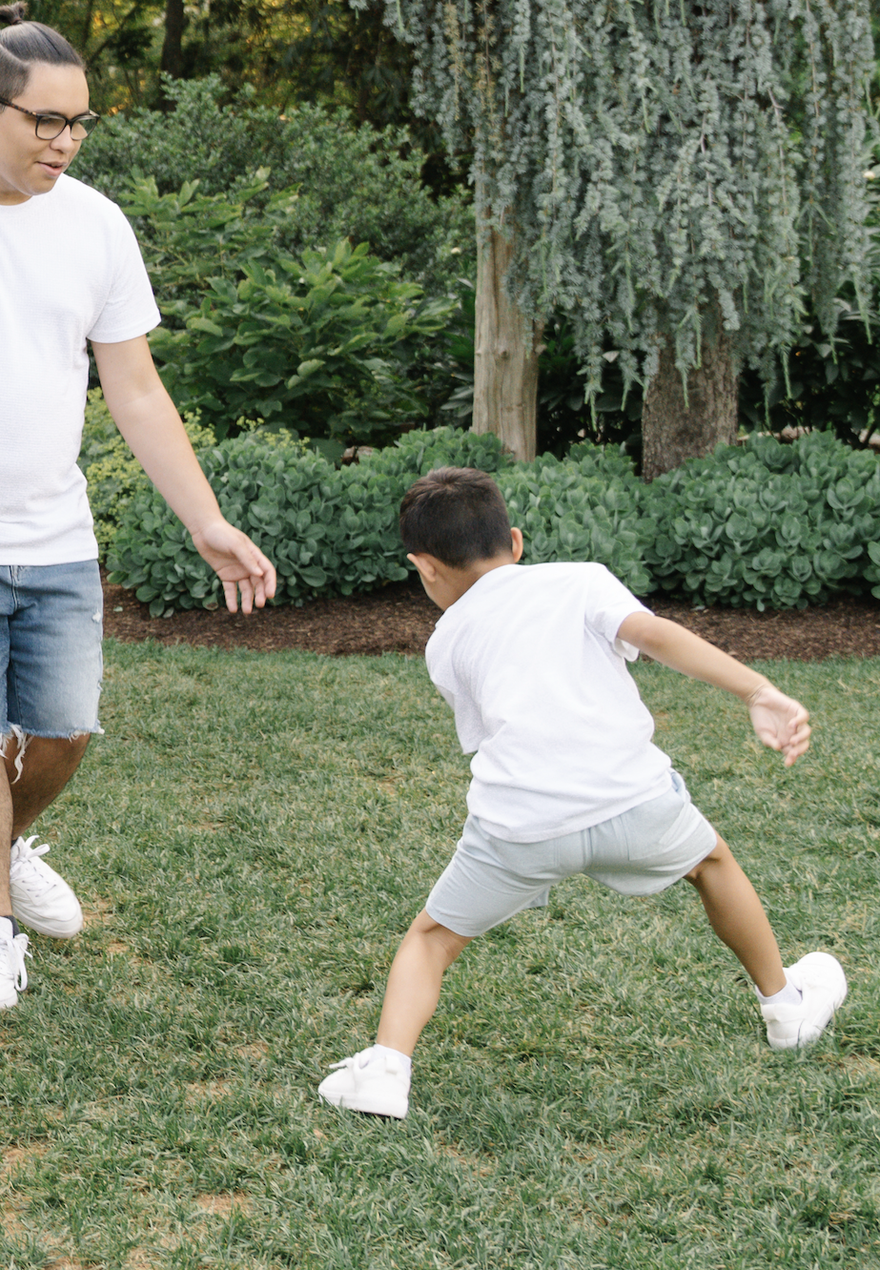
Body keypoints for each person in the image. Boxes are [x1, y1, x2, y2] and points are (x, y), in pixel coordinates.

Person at [0, 2, 278, 1014]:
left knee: (66, 728)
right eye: (45, 121)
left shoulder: (93, 223)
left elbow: (133, 386)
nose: (66, 140)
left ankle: (4, 837)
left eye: (79, 122)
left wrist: (204, 519)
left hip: (52, 535)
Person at [317, 466, 848, 1120]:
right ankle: (785, 1007)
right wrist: (757, 690)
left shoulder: (445, 641)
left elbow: (490, 734)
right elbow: (653, 635)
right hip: (634, 800)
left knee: (431, 938)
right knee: (711, 862)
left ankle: (386, 1068)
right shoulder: (580, 579)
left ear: (423, 567)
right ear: (514, 541)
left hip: (519, 829)